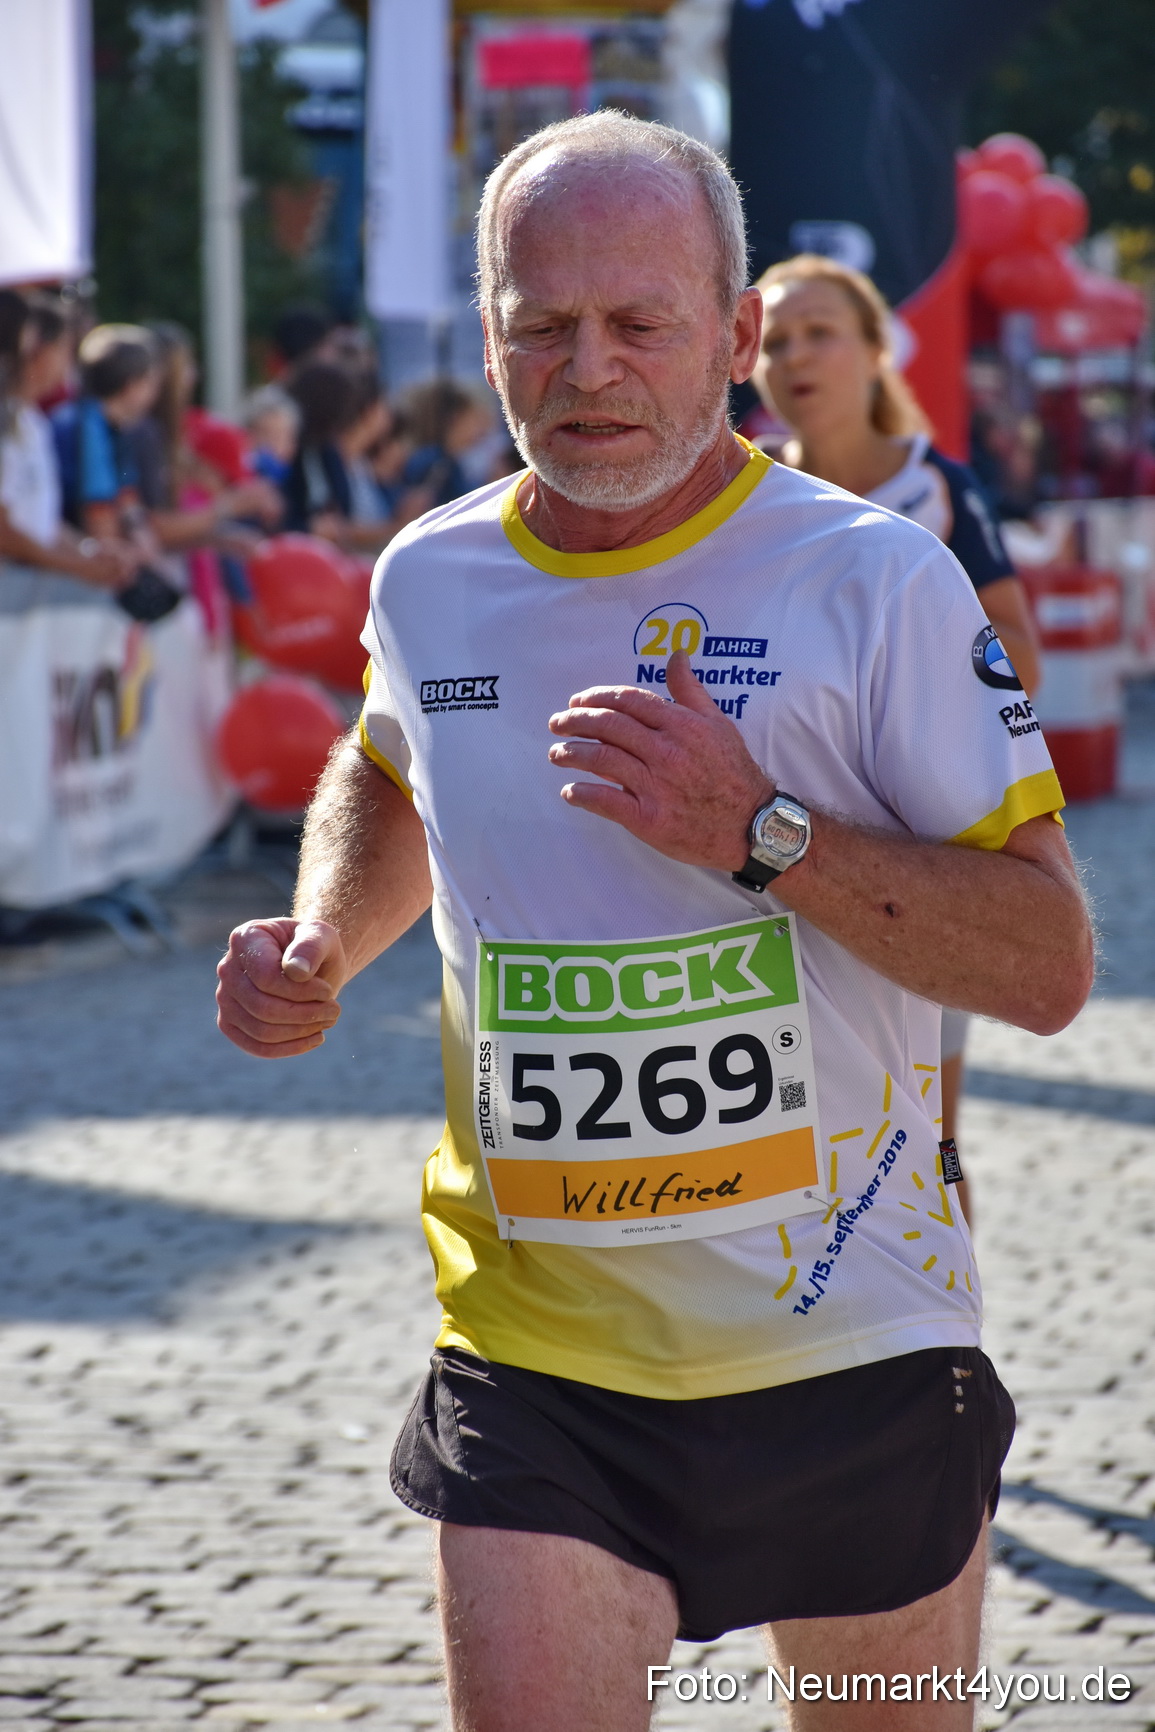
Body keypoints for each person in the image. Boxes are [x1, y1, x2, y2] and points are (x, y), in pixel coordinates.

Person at [215, 112, 1092, 1732]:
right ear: (489, 338)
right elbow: (392, 772)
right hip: (536, 1348)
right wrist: (324, 939)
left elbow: (1048, 965)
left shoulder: (878, 580)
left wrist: (756, 832)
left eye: (640, 324)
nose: (588, 369)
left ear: (738, 334)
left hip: (852, 1335)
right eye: (541, 327)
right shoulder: (432, 577)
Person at [751, 254, 1043, 1223]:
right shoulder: (740, 497)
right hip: (761, 856)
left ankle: (940, 1332)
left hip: (913, 860)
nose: (797, 358)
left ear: (877, 352)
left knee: (930, 1132)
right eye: (778, 340)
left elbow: (1020, 664)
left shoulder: (940, 489)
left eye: (822, 333)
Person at [0, 295, 133, 591]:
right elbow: (4, 531)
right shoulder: (8, 423)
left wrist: (88, 552)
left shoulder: (31, 423)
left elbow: (39, 521)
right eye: (64, 349)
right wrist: (77, 566)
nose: (67, 364)